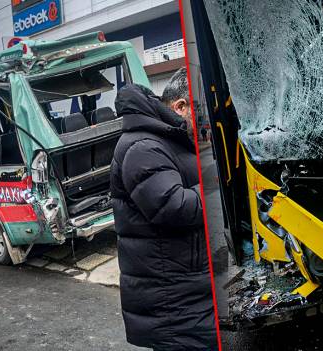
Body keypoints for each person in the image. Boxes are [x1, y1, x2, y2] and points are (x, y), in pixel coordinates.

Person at [110, 68, 216, 350]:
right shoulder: (143, 146)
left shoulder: (165, 138)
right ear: (181, 106)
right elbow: (174, 207)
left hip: (185, 289)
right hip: (174, 300)